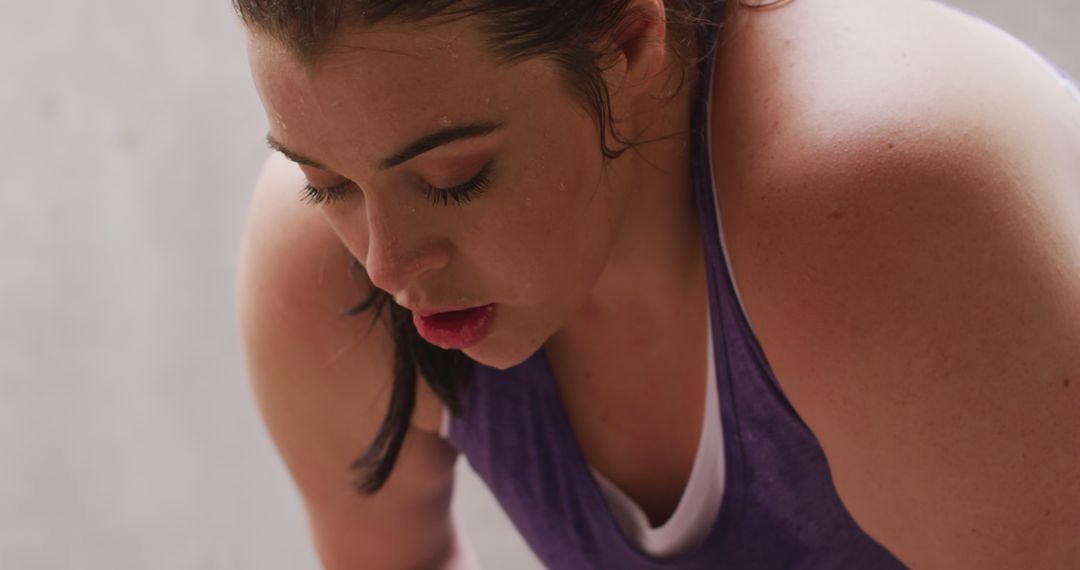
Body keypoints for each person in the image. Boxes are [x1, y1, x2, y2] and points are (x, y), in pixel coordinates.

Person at [234, 0, 1080, 567]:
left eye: (455, 178)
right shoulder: (325, 275)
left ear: (633, 39)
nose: (385, 265)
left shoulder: (873, 198)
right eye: (326, 184)